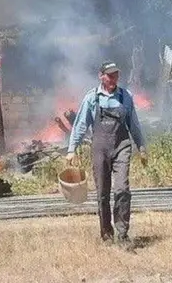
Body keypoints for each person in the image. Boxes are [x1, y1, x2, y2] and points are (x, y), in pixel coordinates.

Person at [66, 61, 147, 250]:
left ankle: (122, 233)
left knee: (122, 190)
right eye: (110, 75)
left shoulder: (125, 96)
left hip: (122, 146)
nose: (113, 79)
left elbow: (133, 124)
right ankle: (106, 233)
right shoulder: (92, 98)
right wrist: (71, 149)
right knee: (103, 193)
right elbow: (80, 125)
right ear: (101, 76)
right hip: (100, 148)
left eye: (116, 75)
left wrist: (141, 147)